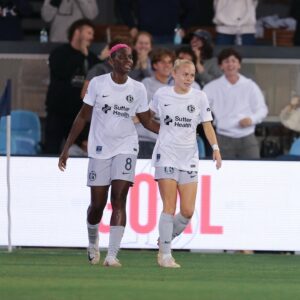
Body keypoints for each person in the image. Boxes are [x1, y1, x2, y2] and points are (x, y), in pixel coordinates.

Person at [58, 44, 160, 267]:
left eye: (131, 58)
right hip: (100, 149)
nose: (129, 61)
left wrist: (171, 132)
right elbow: (83, 116)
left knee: (119, 199)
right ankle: (93, 242)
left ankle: (112, 255)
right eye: (123, 57)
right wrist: (67, 148)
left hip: (126, 147)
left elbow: (146, 121)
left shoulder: (138, 89)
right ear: (112, 60)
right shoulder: (97, 84)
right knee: (97, 204)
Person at [150, 59, 222, 268]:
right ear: (174, 73)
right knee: (169, 207)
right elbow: (147, 116)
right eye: (185, 74)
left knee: (188, 211)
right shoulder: (162, 94)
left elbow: (206, 125)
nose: (189, 79)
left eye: (192, 75)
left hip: (189, 158)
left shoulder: (200, 97)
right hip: (166, 155)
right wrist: (126, 120)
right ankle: (165, 255)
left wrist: (216, 149)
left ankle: (164, 239)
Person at [44, 19, 99, 154]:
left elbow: (98, 77)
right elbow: (62, 71)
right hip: (57, 111)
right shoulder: (59, 53)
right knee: (51, 149)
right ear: (77, 32)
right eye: (89, 33)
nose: (91, 37)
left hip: (79, 114)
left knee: (81, 150)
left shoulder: (91, 58)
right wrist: (81, 55)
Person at [203, 48, 268, 159]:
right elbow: (200, 108)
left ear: (239, 65)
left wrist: (251, 119)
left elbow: (262, 109)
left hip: (247, 138)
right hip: (222, 138)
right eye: (226, 61)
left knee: (253, 172)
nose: (230, 64)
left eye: (233, 61)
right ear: (221, 66)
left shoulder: (250, 85)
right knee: (222, 173)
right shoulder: (211, 87)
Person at [115, 0, 194, 44]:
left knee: (169, 67)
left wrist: (184, 27)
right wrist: (131, 26)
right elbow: (123, 5)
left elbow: (192, 8)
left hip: (170, 37)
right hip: (145, 36)